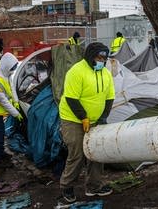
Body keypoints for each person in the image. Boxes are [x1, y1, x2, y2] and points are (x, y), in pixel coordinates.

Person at [58, 42, 115, 205]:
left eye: (104, 58)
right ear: (91, 57)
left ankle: (94, 186)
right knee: (77, 152)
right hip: (73, 118)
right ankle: (66, 187)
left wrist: (103, 117)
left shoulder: (105, 73)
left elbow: (110, 97)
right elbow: (71, 98)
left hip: (96, 119)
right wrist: (83, 118)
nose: (102, 61)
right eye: (99, 57)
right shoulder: (76, 71)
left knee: (97, 151)